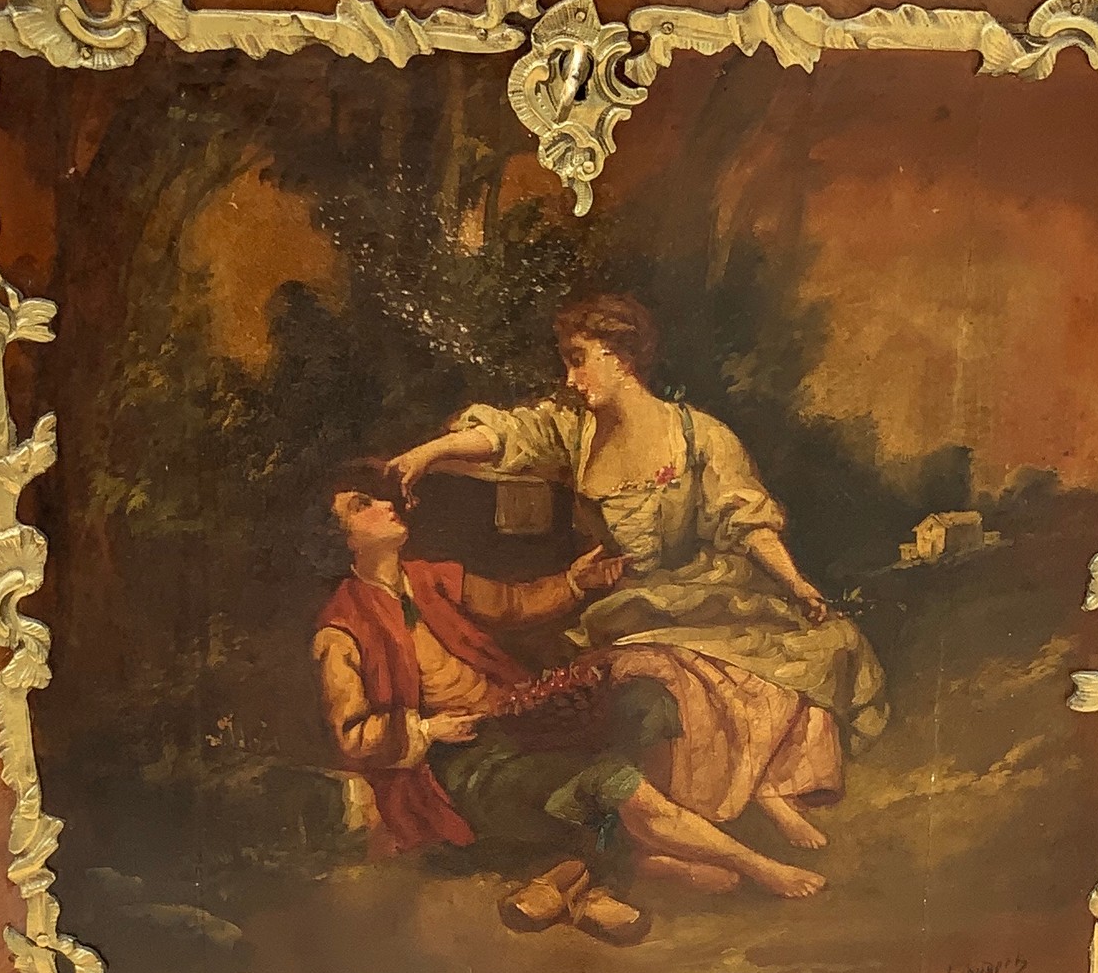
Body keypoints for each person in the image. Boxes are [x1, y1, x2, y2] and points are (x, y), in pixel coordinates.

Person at [386, 293, 886, 855]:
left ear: (620, 358)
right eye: (567, 362)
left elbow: (747, 520)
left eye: (579, 359)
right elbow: (506, 437)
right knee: (667, 671)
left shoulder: (702, 436)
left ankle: (772, 791)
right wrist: (426, 454)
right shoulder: (574, 432)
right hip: (627, 609)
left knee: (800, 651)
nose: (570, 378)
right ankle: (747, 800)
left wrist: (795, 584)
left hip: (711, 593)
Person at [312, 465, 826, 937]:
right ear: (343, 541)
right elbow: (353, 735)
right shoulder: (340, 630)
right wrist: (428, 731)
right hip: (465, 763)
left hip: (517, 721)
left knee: (647, 700)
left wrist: (577, 581)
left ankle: (584, 871)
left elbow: (514, 604)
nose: (385, 505)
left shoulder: (430, 576)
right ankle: (750, 867)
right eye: (361, 505)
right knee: (606, 780)